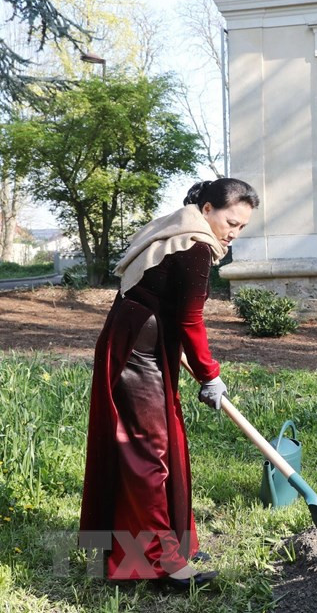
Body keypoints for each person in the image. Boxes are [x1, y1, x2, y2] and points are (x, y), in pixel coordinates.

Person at [79, 178, 259, 589]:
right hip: (138, 354)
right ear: (208, 209)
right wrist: (210, 375)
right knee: (149, 455)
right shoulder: (195, 246)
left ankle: (167, 544)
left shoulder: (178, 228)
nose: (234, 232)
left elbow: (162, 301)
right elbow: (191, 319)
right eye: (231, 222)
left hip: (140, 341)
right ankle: (160, 564)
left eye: (242, 227)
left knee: (160, 445)